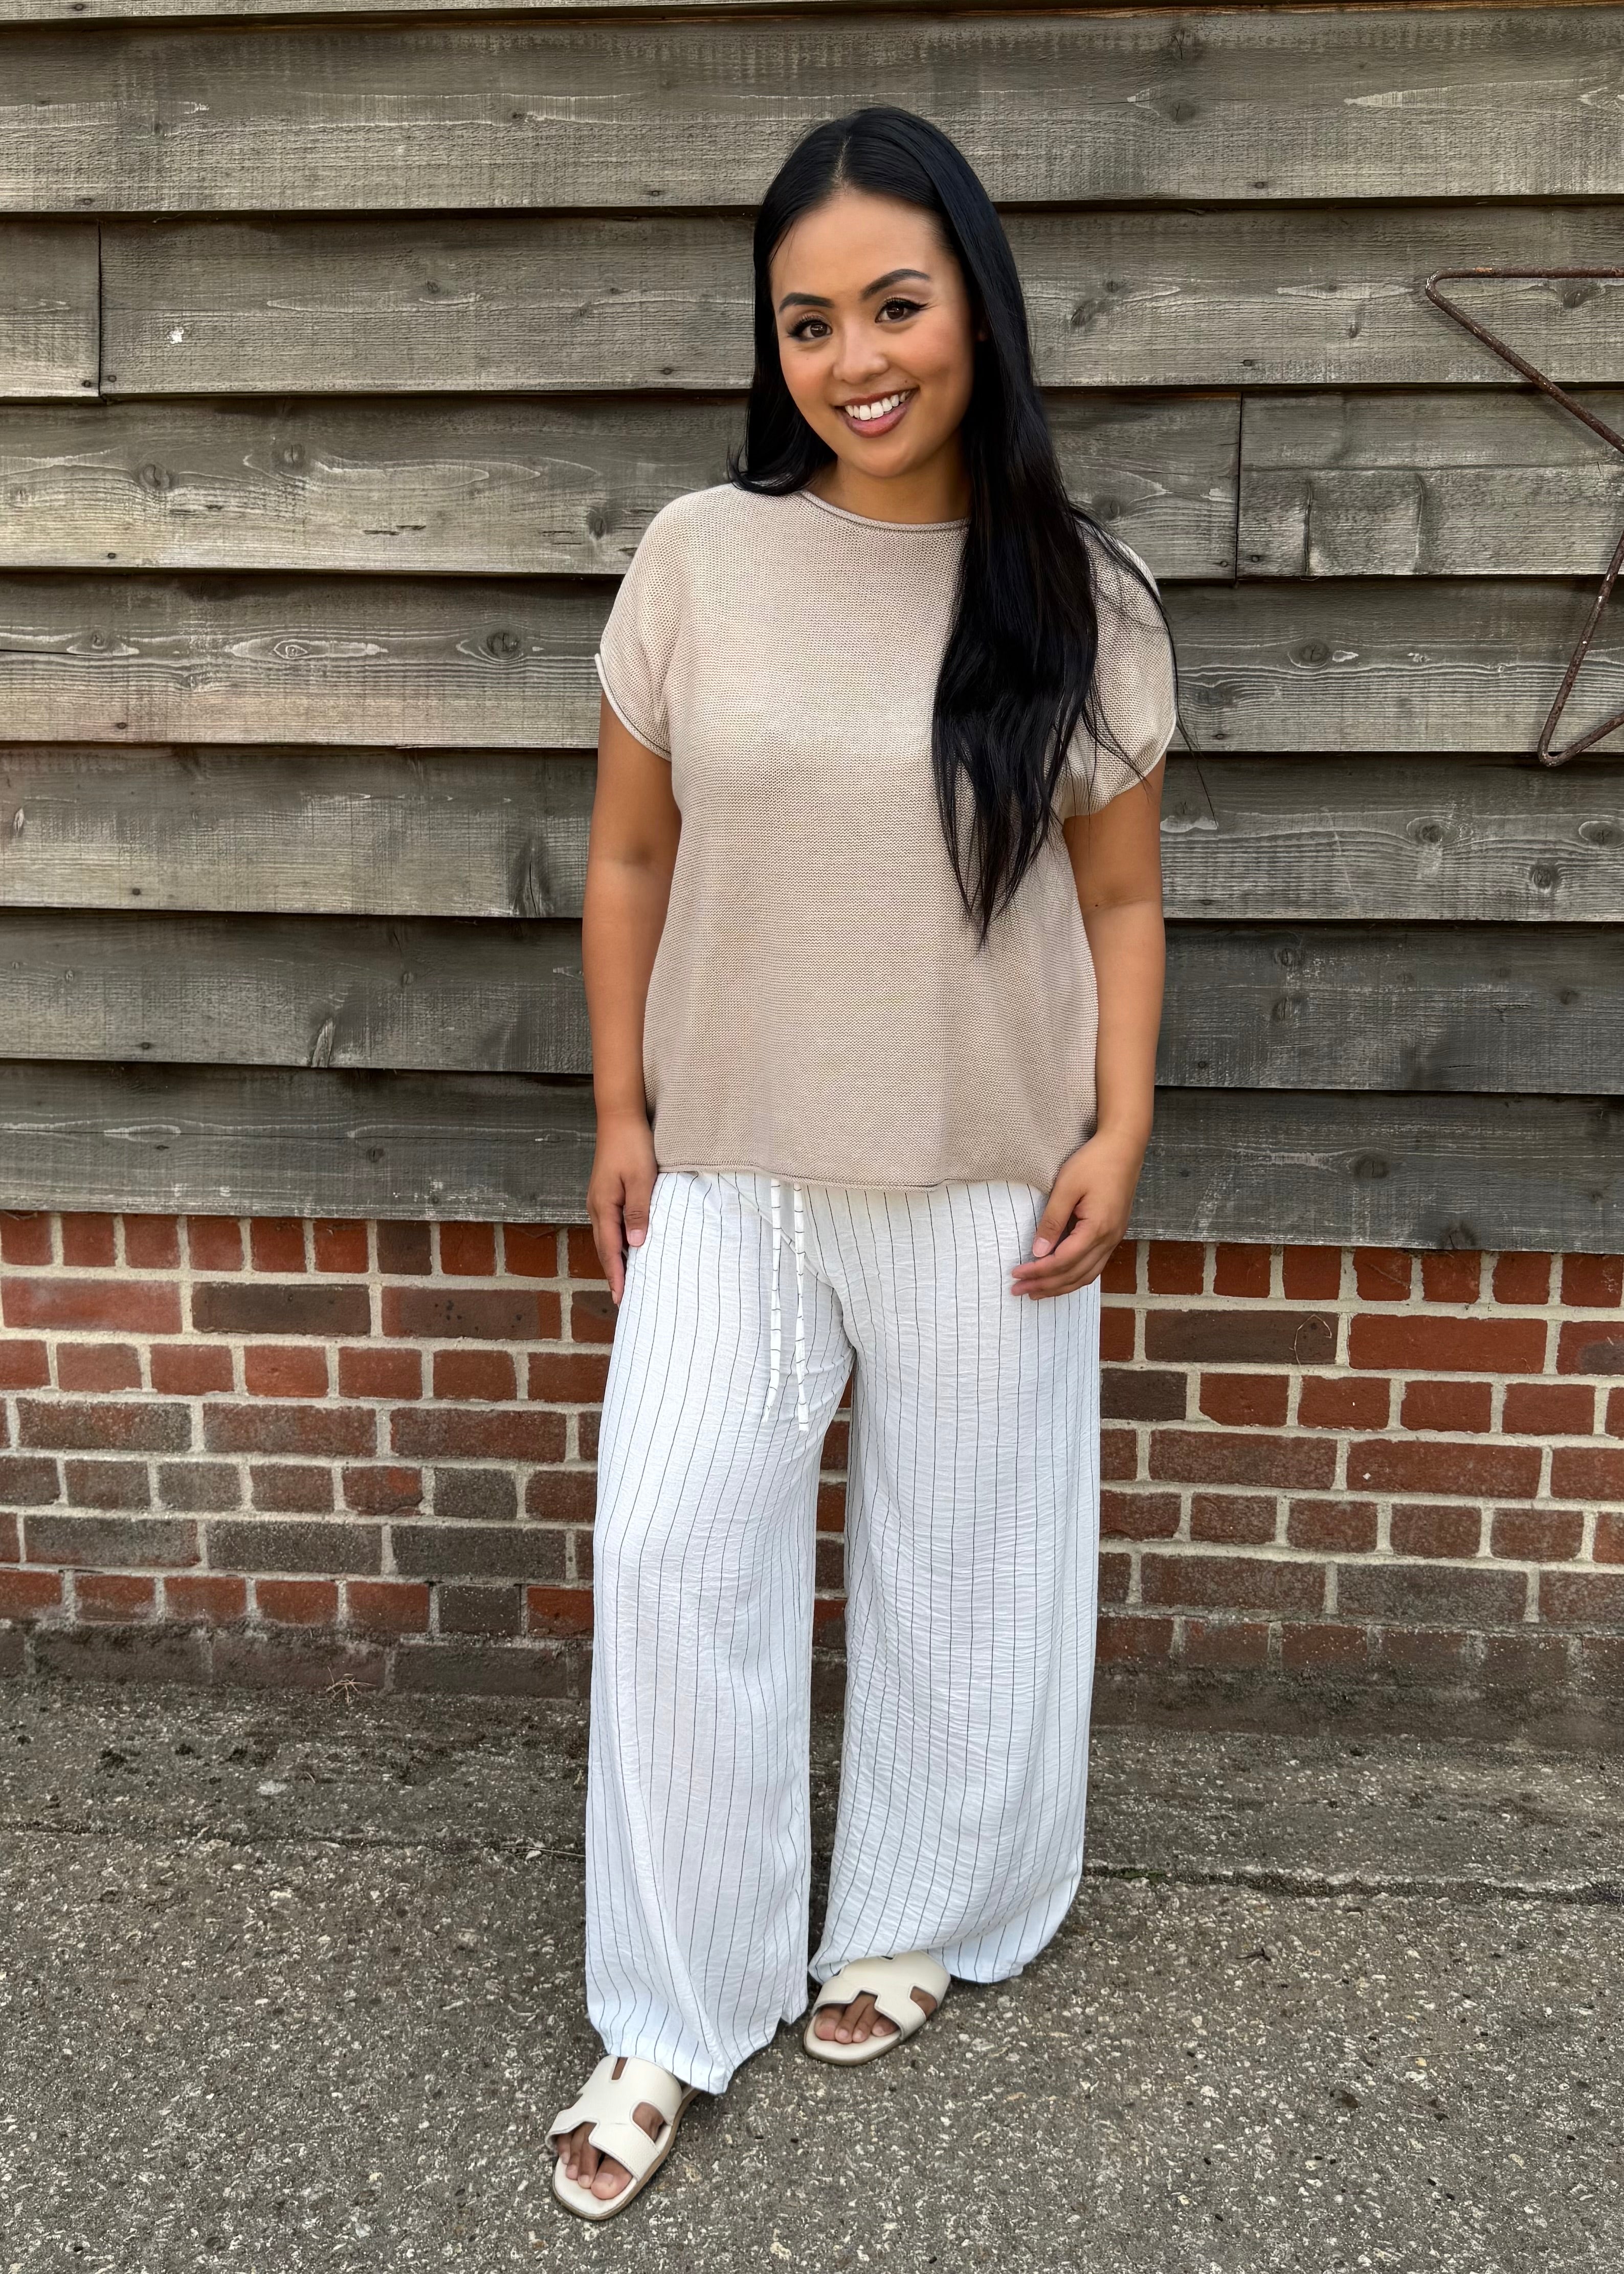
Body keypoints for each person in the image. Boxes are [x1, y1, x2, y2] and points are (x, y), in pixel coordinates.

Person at [547, 104, 1182, 2221]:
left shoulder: (1077, 596)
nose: (853, 357)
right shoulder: (696, 560)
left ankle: (914, 1908)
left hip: (987, 1166)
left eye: (893, 305)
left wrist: (1121, 1121)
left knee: (972, 1560)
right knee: (669, 1550)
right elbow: (629, 856)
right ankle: (674, 1998)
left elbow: (1118, 898)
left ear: (973, 307)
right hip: (727, 1167)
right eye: (806, 321)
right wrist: (620, 1109)